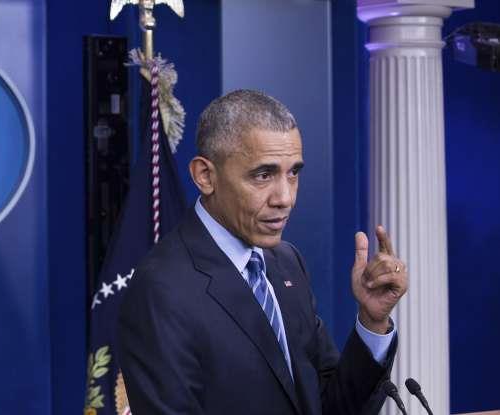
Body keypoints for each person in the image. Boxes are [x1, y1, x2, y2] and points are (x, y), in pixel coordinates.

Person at [117, 90, 408, 414]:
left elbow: (331, 406)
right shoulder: (162, 288)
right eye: (263, 175)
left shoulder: (286, 263)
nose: (285, 197)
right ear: (205, 176)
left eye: (293, 173)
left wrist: (372, 321)